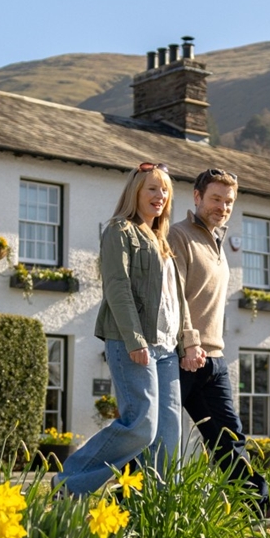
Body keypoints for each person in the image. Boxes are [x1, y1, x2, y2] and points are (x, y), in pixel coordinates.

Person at [56, 162, 203, 496]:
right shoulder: (119, 231)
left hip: (166, 348)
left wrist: (189, 342)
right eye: (152, 188)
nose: (160, 196)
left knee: (168, 435)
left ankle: (157, 506)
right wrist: (135, 339)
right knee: (141, 426)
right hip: (132, 343)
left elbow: (177, 299)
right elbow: (117, 287)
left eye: (165, 190)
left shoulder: (163, 242)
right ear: (135, 191)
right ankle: (68, 484)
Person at [169, 168, 270, 524]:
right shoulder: (178, 235)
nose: (223, 206)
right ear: (197, 197)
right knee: (149, 434)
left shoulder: (217, 241)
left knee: (229, 438)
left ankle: (259, 508)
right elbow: (176, 296)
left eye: (229, 201)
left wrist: (205, 347)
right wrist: (189, 342)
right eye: (216, 198)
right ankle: (82, 490)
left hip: (212, 358)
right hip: (181, 356)